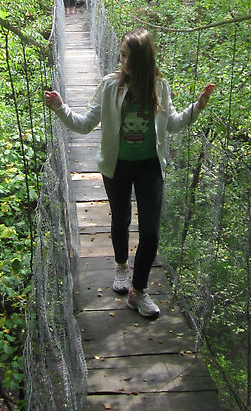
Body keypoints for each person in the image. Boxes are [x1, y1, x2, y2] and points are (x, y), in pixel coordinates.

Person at [44, 28, 214, 319]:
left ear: (145, 60)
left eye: (130, 58)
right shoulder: (111, 86)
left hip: (150, 165)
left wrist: (197, 107)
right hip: (117, 164)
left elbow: (171, 124)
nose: (124, 62)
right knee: (121, 219)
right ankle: (122, 266)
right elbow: (85, 124)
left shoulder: (160, 86)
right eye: (122, 56)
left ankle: (139, 291)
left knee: (151, 232)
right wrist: (60, 107)